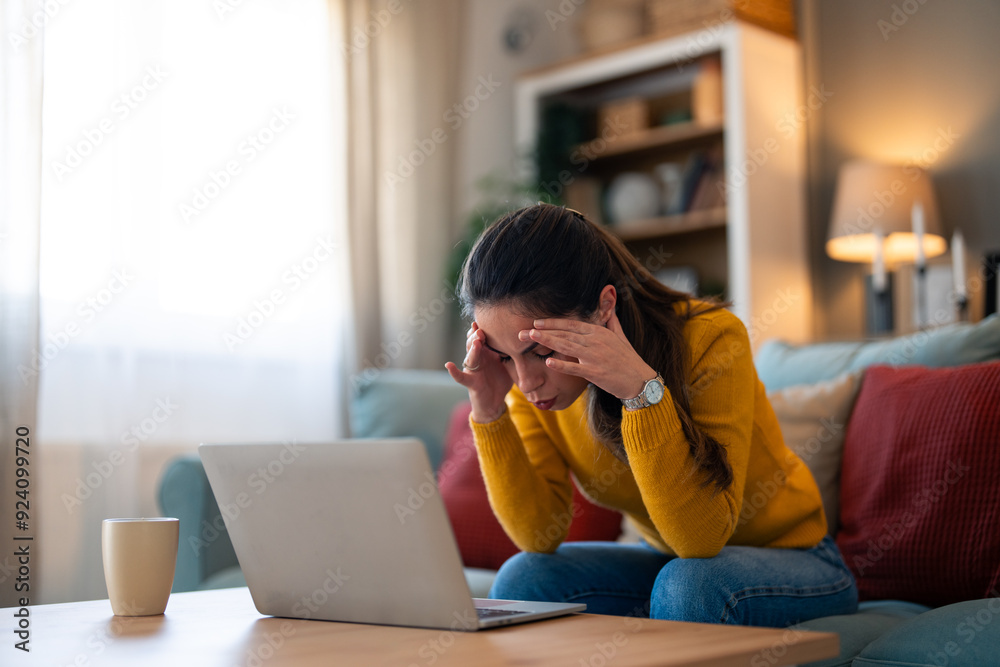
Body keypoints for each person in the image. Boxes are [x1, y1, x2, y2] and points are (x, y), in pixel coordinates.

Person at [444, 203, 857, 627]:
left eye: (542, 351)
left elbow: (699, 538)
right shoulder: (529, 388)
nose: (526, 382)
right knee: (524, 579)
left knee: (689, 585)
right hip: (669, 560)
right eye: (505, 357)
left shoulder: (711, 339)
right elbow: (538, 536)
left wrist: (641, 394)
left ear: (605, 306)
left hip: (794, 560)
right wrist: (490, 412)